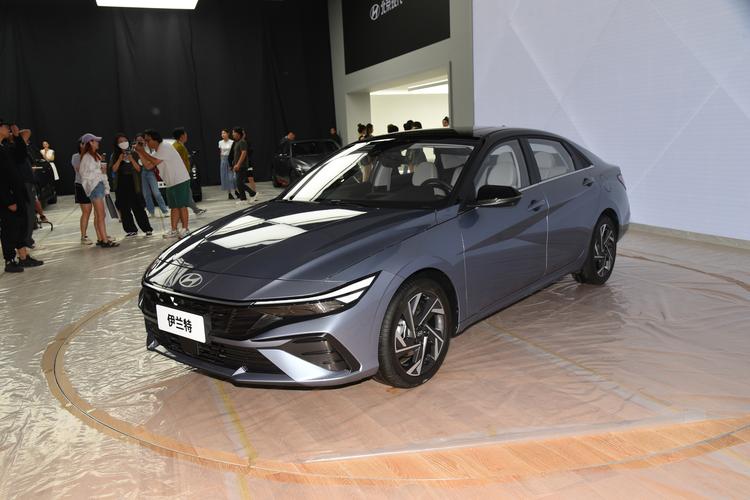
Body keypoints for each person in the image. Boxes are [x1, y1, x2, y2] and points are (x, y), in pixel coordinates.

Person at [0, 119, 43, 271]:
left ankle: (23, 257)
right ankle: (9, 260)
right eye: (6, 127)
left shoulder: (5, 147)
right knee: (9, 229)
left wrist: (17, 136)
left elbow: (20, 155)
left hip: (17, 192)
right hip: (8, 197)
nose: (9, 129)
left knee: (21, 226)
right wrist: (8, 200)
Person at [136, 129, 191, 239]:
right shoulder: (157, 151)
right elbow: (148, 166)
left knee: (181, 205)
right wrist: (139, 152)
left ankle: (186, 229)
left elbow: (154, 162)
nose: (146, 143)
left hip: (180, 180)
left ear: (155, 139)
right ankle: (174, 230)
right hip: (171, 182)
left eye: (148, 140)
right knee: (174, 207)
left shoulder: (164, 147)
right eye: (145, 141)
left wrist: (142, 152)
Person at [108, 133, 153, 237]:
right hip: (121, 184)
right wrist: (120, 159)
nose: (123, 143)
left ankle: (147, 228)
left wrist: (131, 159)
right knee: (124, 208)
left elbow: (138, 169)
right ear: (117, 144)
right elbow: (113, 170)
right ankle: (130, 229)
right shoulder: (115, 155)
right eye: (120, 141)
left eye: (125, 140)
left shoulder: (135, 153)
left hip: (133, 183)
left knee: (138, 207)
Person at [78, 133, 118, 247]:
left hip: (98, 186)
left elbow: (101, 173)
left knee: (99, 215)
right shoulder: (87, 157)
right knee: (101, 215)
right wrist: (99, 171)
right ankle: (104, 240)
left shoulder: (95, 155)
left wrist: (106, 186)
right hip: (95, 187)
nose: (98, 143)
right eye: (96, 141)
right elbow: (84, 174)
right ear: (90, 142)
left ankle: (101, 238)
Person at [171, 128, 206, 216]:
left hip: (182, 173)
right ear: (182, 136)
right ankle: (191, 211)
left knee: (187, 192)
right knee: (186, 193)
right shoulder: (178, 146)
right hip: (182, 173)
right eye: (185, 134)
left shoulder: (177, 145)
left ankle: (196, 210)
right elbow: (179, 160)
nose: (186, 136)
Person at [134, 132, 169, 218]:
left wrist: (141, 152)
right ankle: (151, 211)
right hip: (142, 171)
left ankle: (164, 210)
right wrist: (137, 151)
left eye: (141, 140)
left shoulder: (149, 148)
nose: (140, 142)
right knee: (146, 194)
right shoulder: (135, 150)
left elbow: (150, 161)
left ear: (144, 140)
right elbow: (138, 162)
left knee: (156, 192)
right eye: (138, 141)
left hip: (151, 171)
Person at [71, 140, 94, 244]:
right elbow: (80, 170)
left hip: (93, 185)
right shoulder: (76, 156)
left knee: (97, 211)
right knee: (86, 211)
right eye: (82, 143)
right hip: (81, 185)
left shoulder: (93, 155)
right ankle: (83, 236)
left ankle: (102, 234)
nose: (84, 145)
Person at [232, 126, 256, 203]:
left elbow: (244, 153)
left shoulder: (242, 142)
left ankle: (253, 193)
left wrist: (238, 164)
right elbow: (236, 155)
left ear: (238, 134)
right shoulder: (237, 142)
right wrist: (234, 164)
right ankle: (243, 199)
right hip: (237, 166)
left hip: (242, 166)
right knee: (239, 183)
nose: (232, 134)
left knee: (239, 183)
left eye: (233, 132)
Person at [218, 128, 235, 199]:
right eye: (222, 133)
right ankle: (229, 193)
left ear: (228, 134)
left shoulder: (232, 142)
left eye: (224, 133)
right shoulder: (220, 142)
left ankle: (236, 190)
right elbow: (220, 152)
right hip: (223, 160)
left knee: (232, 177)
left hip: (231, 160)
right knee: (225, 177)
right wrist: (222, 160)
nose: (223, 134)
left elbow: (234, 152)